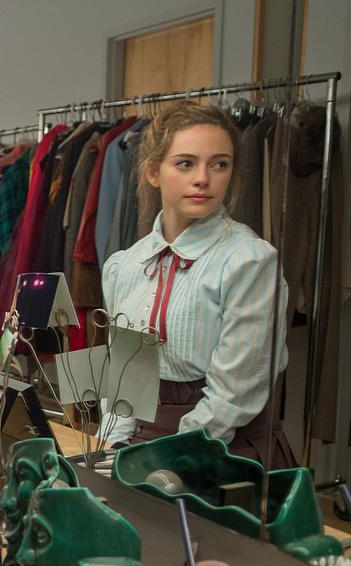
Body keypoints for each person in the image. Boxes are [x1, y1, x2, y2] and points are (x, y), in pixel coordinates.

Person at [101, 102, 295, 469]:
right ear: (153, 172)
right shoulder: (125, 265)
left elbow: (232, 394)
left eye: (219, 164)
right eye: (186, 163)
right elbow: (125, 382)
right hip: (142, 448)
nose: (203, 178)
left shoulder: (249, 261)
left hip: (226, 452)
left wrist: (168, 460)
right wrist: (110, 451)